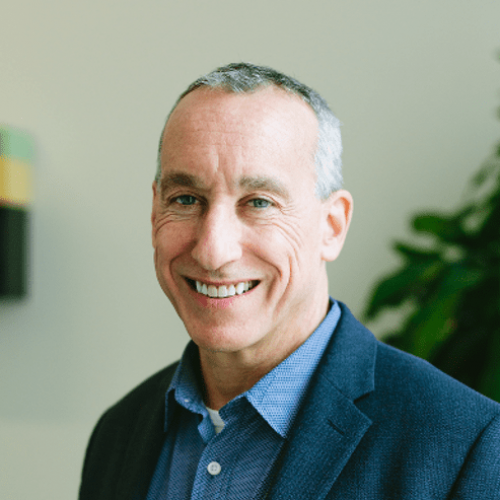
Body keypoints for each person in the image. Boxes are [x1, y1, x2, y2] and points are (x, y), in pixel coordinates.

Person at [79, 63, 500, 500]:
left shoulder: (465, 446)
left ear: (332, 226)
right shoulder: (119, 433)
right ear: (155, 213)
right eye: (186, 199)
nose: (212, 251)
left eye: (259, 202)